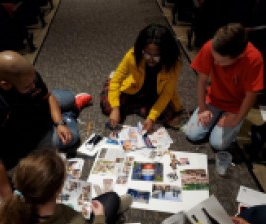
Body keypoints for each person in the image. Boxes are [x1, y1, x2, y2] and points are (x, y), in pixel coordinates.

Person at [0, 149, 132, 224]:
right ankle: (116, 206)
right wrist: (100, 218)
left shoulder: (6, 215)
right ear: (59, 190)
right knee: (111, 200)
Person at [0, 51, 92, 200]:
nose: (33, 86)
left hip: (36, 108)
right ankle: (70, 113)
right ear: (5, 84)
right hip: (22, 136)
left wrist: (59, 123)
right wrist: (8, 201)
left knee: (67, 98)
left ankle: (67, 109)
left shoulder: (30, 79)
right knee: (69, 139)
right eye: (27, 86)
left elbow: (47, 96)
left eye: (33, 81)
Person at [185, 23, 264, 151]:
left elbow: (251, 95)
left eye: (221, 61)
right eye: (214, 58)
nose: (215, 63)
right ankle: (215, 119)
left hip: (236, 105)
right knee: (192, 134)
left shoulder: (254, 59)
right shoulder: (210, 47)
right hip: (214, 98)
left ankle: (231, 122)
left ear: (239, 56)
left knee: (217, 144)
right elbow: (201, 80)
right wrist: (202, 108)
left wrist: (236, 119)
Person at [100, 24, 184, 133]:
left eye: (156, 56)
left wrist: (151, 118)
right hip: (135, 88)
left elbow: (166, 94)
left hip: (155, 94)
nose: (151, 59)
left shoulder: (173, 64)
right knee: (108, 106)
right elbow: (117, 80)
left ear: (165, 53)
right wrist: (115, 109)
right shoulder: (133, 55)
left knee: (164, 116)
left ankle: (132, 107)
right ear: (141, 49)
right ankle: (128, 104)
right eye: (147, 54)